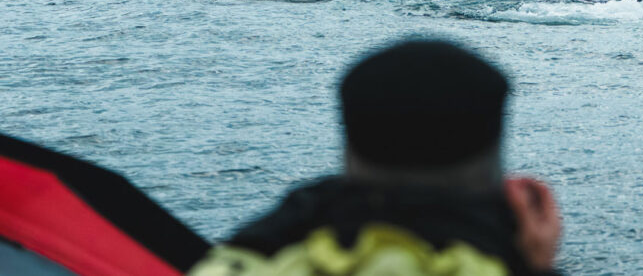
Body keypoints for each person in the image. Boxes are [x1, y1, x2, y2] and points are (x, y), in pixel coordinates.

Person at [190, 39, 562, 276]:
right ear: (509, 185)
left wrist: (295, 213)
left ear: (348, 152)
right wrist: (535, 266)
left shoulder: (233, 264)